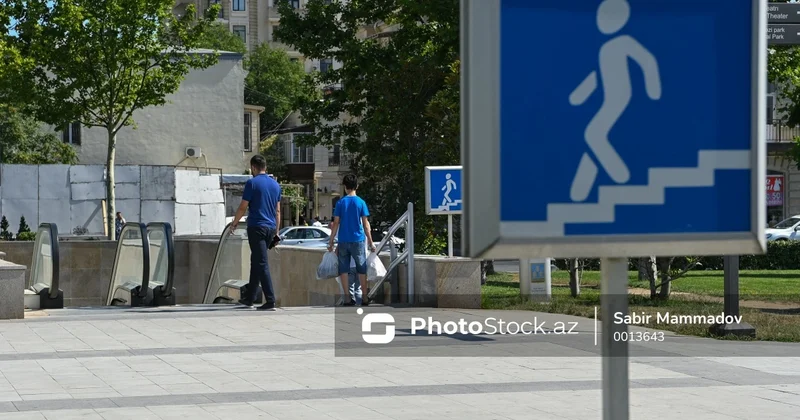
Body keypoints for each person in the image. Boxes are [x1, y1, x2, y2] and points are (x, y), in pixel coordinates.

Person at [231, 155, 282, 311]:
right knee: (256, 261)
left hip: (256, 227)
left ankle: (270, 300)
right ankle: (250, 297)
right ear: (265, 167)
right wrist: (277, 232)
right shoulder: (275, 185)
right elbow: (278, 210)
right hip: (270, 228)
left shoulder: (252, 183)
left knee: (261, 263)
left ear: (253, 167)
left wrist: (234, 223)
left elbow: (243, 207)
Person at [328, 174, 376, 306]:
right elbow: (366, 225)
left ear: (345, 187)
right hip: (358, 239)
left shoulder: (340, 203)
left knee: (343, 269)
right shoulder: (361, 202)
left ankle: (348, 298)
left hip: (343, 239)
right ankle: (365, 298)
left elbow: (336, 223)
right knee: (361, 268)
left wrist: (331, 241)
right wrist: (371, 242)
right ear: (357, 186)